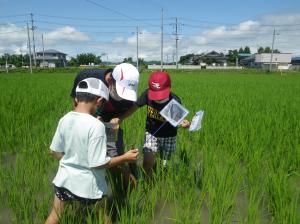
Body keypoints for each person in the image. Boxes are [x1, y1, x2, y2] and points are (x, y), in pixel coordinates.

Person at [45, 78, 139, 224]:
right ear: (99, 100)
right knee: (104, 219)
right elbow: (97, 164)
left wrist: (71, 163)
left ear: (77, 98)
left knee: (54, 216)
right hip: (89, 187)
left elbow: (54, 151)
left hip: (63, 181)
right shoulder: (96, 126)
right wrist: (125, 158)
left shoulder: (65, 118)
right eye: (102, 103)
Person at [114, 71, 190, 179]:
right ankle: (148, 184)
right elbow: (134, 107)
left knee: (165, 162)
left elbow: (178, 120)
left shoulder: (175, 100)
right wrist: (120, 118)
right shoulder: (147, 95)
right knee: (148, 162)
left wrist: (184, 123)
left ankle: (162, 178)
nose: (158, 98)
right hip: (151, 133)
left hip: (169, 135)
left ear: (169, 88)